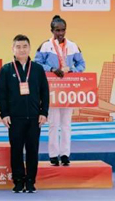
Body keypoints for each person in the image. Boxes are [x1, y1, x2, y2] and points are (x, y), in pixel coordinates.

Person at [0, 34, 49, 194]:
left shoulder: (38, 69)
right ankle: (18, 181)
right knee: (16, 150)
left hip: (34, 118)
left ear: (30, 48)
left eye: (25, 46)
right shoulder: (6, 69)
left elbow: (45, 92)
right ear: (13, 49)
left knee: (33, 150)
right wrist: (4, 114)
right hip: (15, 118)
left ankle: (31, 181)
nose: (22, 50)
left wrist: (44, 112)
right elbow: (2, 94)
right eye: (18, 47)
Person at [35, 15, 86, 167]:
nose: (60, 33)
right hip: (51, 89)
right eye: (57, 30)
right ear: (52, 30)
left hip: (68, 90)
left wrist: (72, 70)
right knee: (53, 124)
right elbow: (37, 64)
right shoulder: (45, 46)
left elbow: (82, 64)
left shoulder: (73, 46)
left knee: (66, 124)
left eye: (63, 30)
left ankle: (65, 154)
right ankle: (53, 155)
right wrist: (51, 69)